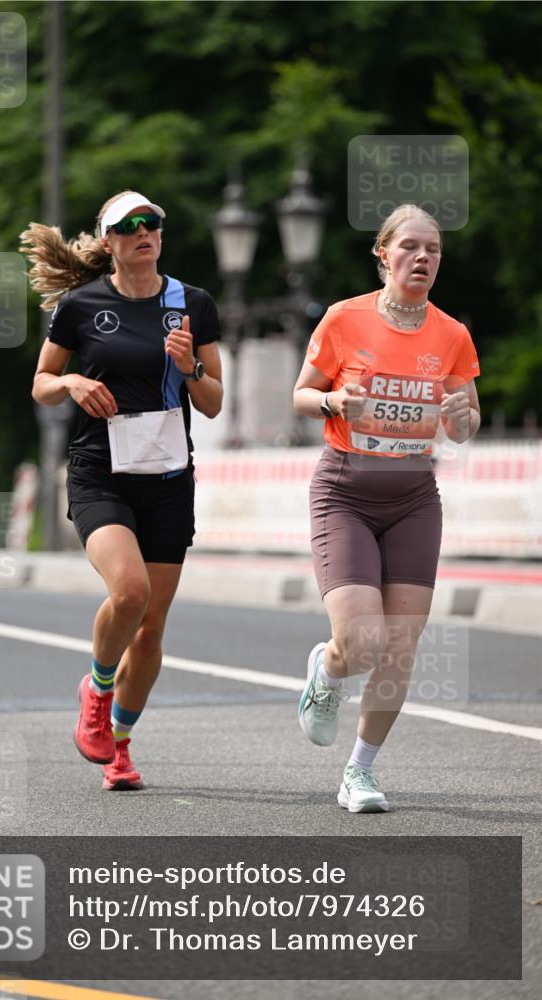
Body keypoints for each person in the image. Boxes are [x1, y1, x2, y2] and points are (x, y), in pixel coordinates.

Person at [20, 191, 223, 790]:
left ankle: (120, 747)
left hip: (167, 478)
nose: (144, 232)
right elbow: (40, 383)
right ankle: (97, 688)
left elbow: (213, 404)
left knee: (153, 627)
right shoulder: (81, 306)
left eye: (152, 222)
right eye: (129, 226)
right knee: (129, 593)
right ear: (108, 241)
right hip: (99, 471)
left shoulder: (193, 304)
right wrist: (75, 382)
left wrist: (190, 369)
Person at [293, 204, 480, 812]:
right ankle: (328, 669)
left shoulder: (451, 334)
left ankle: (360, 773)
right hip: (345, 490)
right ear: (384, 254)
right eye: (411, 247)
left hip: (412, 498)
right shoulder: (344, 319)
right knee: (362, 640)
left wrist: (461, 417)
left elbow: (466, 421)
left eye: (434, 250)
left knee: (401, 645)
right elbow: (302, 394)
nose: (423, 258)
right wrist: (333, 401)